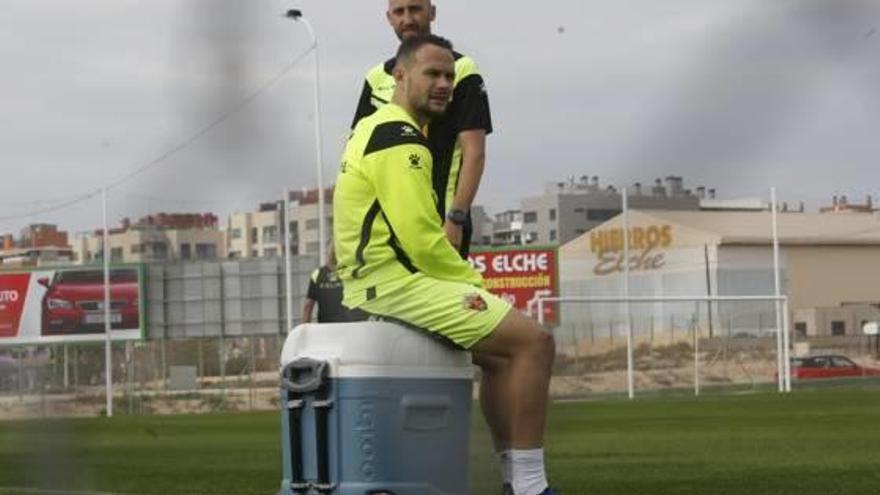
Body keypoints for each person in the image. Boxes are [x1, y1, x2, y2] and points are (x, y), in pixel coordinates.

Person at [335, 34, 557, 495]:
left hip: (379, 282)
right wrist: (476, 283)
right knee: (535, 342)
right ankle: (530, 487)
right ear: (399, 76)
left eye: (449, 78)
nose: (443, 86)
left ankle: (517, 481)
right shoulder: (400, 139)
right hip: (393, 284)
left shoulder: (374, 128)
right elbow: (421, 241)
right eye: (432, 74)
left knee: (501, 358)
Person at [351, 0, 491, 258]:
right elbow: (357, 156)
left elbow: (475, 153)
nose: (407, 19)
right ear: (389, 18)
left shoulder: (460, 70)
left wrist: (456, 218)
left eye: (415, 9)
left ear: (432, 12)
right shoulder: (376, 77)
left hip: (441, 223)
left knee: (453, 297)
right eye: (399, 12)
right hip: (388, 230)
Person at [301, 244, 348, 323]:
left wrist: (305, 330)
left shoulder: (317, 274)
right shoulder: (349, 273)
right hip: (349, 326)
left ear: (327, 253)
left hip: (325, 328)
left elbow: (308, 306)